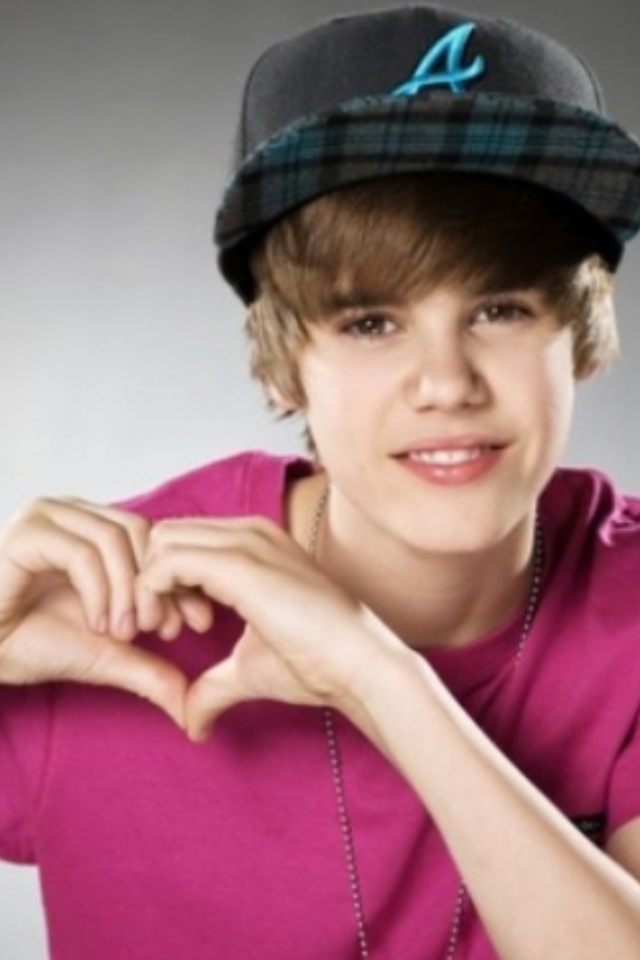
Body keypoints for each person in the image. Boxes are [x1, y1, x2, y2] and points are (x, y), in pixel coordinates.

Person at [1, 5, 640, 959]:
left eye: (501, 308)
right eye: (371, 322)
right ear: (278, 365)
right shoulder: (105, 611)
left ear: (581, 336)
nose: (447, 384)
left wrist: (377, 678)